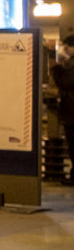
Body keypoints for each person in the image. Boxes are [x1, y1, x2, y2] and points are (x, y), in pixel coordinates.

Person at [48, 35, 74, 183]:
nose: (64, 50)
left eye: (66, 47)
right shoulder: (70, 63)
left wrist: (56, 68)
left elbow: (66, 82)